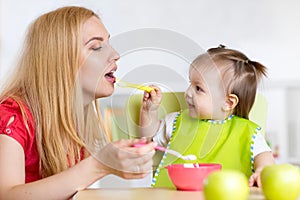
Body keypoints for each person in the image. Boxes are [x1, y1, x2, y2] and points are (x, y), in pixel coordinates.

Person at [0, 6, 156, 200]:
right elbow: (6, 195)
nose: (115, 54)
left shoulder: (74, 120)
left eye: (108, 43)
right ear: (59, 61)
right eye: (96, 47)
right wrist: (99, 165)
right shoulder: (12, 115)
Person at [139, 45, 275, 188]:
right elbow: (148, 137)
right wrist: (149, 111)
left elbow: (264, 156)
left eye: (198, 88)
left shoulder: (248, 132)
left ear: (228, 102)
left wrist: (262, 170)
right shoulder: (175, 122)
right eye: (190, 84)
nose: (188, 93)